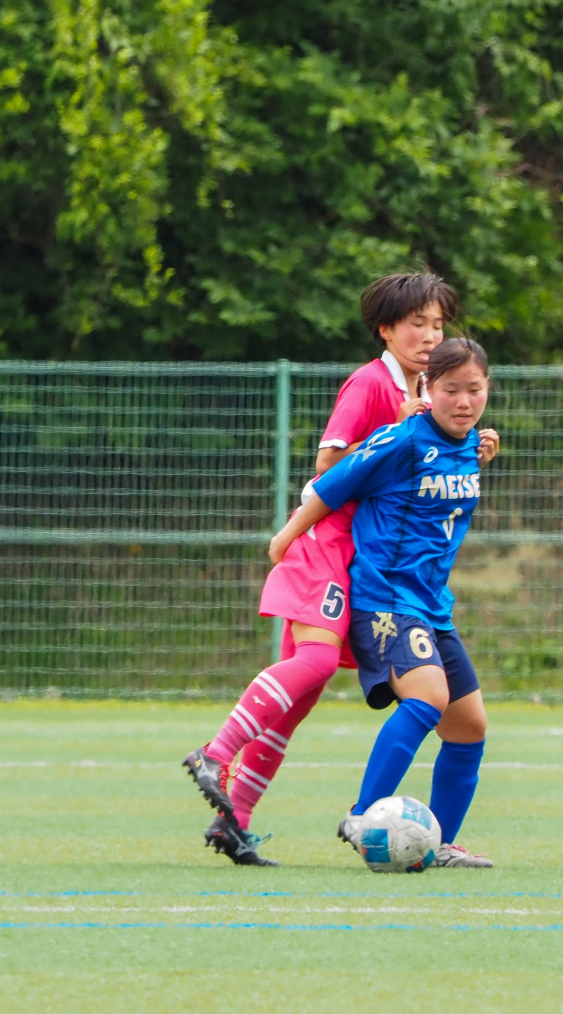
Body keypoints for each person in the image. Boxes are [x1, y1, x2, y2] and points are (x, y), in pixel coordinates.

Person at [182, 273, 500, 866]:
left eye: (438, 324)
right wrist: (403, 430)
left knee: (303, 697)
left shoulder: (434, 402)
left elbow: (436, 456)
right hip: (329, 544)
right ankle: (217, 751)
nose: (431, 335)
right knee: (321, 662)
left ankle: (235, 821)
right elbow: (331, 468)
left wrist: (467, 441)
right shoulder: (375, 387)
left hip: (370, 560)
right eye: (418, 324)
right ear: (387, 329)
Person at [267, 336, 495, 867]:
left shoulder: (469, 443)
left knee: (469, 728)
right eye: (451, 390)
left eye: (475, 390)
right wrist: (285, 537)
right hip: (385, 601)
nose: (463, 402)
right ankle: (363, 812)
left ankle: (438, 846)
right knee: (427, 698)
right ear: (427, 389)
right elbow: (332, 483)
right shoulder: (400, 441)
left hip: (432, 605)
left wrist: (483, 448)